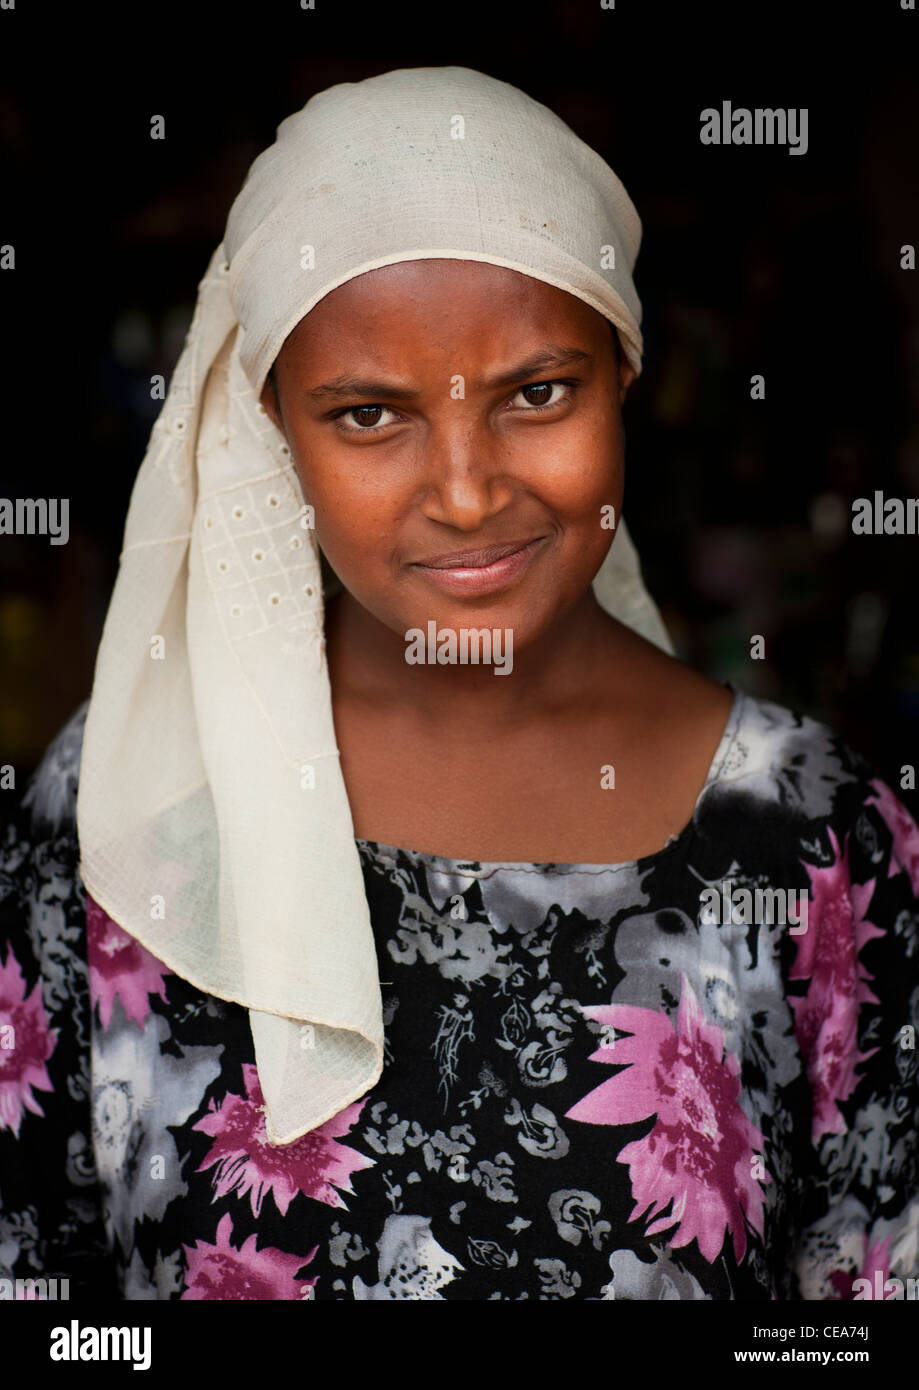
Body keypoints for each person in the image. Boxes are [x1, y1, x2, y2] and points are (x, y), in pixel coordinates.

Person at [1, 65, 917, 1302]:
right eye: (369, 415)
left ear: (627, 374)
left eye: (538, 393)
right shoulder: (129, 800)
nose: (471, 490)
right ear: (272, 425)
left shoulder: (821, 840)